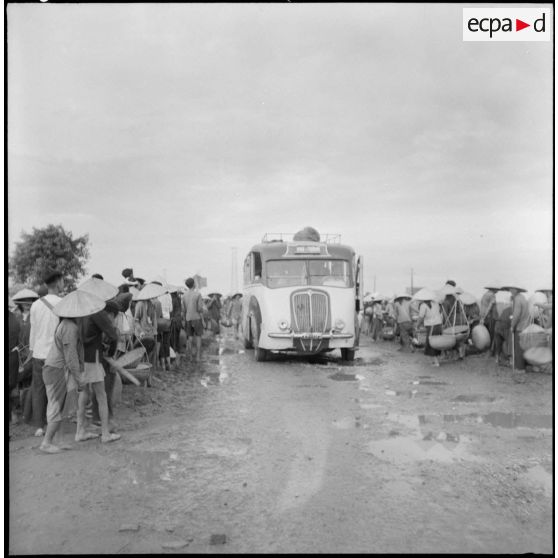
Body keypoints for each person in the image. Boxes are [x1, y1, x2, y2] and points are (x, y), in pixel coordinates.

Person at [39, 290, 104, 453]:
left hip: (56, 369)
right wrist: (80, 378)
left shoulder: (68, 324)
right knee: (56, 407)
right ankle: (46, 443)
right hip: (57, 371)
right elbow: (71, 358)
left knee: (60, 407)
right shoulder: (70, 327)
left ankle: (58, 441)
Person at [76, 300, 121, 443]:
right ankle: (105, 434)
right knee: (102, 396)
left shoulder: (81, 311)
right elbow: (113, 335)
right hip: (93, 358)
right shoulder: (97, 311)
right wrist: (110, 352)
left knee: (84, 394)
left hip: (81, 358)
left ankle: (80, 432)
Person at [27, 269, 64, 437]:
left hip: (38, 353)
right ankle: (52, 422)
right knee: (55, 389)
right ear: (57, 283)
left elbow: (33, 332)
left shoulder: (36, 304)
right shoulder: (62, 303)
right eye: (63, 281)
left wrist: (31, 351)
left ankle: (39, 426)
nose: (63, 284)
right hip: (55, 354)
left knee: (38, 389)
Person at [503, 284, 531, 380]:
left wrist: (512, 326)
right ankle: (522, 366)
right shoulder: (523, 298)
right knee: (522, 348)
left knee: (518, 348)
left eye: (512, 289)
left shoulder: (517, 299)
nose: (510, 290)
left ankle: (520, 369)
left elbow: (516, 315)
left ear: (516, 290)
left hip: (519, 327)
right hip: (525, 326)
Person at [416, 290, 443, 367]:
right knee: (436, 343)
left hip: (431, 326)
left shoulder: (423, 305)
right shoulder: (435, 303)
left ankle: (436, 363)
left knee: (431, 344)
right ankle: (434, 361)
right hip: (438, 325)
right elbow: (439, 312)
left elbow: (421, 317)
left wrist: (417, 325)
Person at [181, 277, 205, 361]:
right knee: (198, 337)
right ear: (194, 284)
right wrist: (203, 320)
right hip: (197, 318)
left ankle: (190, 357)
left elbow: (183, 310)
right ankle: (198, 357)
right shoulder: (198, 294)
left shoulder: (184, 295)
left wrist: (184, 320)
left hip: (188, 318)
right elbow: (199, 309)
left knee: (190, 338)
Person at [480, 285, 500, 356]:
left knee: (487, 333)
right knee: (491, 333)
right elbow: (490, 306)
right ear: (494, 289)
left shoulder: (485, 294)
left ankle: (487, 349)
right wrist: (485, 316)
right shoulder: (492, 295)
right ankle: (491, 351)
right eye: (497, 289)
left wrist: (482, 317)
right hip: (490, 316)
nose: (497, 291)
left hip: (484, 315)